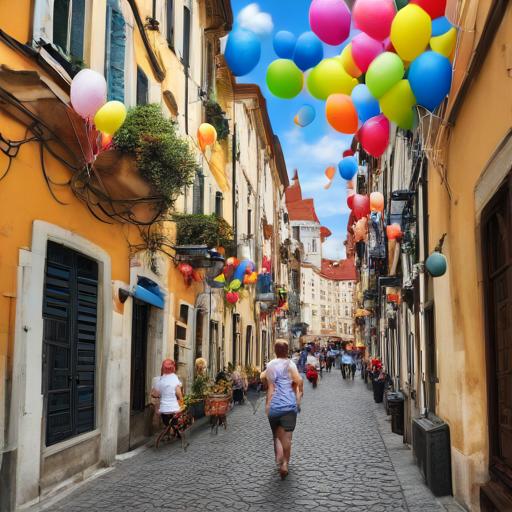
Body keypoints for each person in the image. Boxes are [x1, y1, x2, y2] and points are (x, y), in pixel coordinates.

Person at [263, 340, 303, 480]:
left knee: (277, 435)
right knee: (287, 436)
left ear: (275, 351)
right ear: (287, 351)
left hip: (274, 407)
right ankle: (285, 463)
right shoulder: (290, 365)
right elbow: (298, 381)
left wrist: (268, 404)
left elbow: (271, 386)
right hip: (289, 406)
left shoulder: (270, 365)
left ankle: (279, 459)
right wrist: (298, 398)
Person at [151, 359, 183, 431]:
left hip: (163, 408)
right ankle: (174, 431)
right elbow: (177, 390)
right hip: (174, 408)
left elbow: (154, 394)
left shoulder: (159, 380)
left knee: (166, 423)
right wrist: (181, 399)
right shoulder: (174, 377)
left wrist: (163, 395)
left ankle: (168, 431)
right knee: (174, 422)